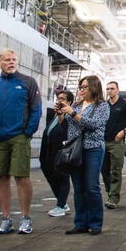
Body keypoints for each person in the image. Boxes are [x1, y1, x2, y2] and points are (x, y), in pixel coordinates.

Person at [0, 49, 42, 235]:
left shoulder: (28, 82)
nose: (11, 62)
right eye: (7, 60)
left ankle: (25, 218)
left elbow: (36, 109)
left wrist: (27, 132)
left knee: (22, 177)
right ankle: (6, 218)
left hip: (19, 137)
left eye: (14, 59)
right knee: (0, 178)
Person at [58, 76, 109, 235]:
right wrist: (61, 113)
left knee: (91, 187)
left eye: (85, 87)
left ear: (94, 87)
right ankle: (80, 223)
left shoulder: (102, 106)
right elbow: (65, 125)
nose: (81, 90)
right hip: (75, 149)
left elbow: (93, 124)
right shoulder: (76, 104)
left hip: (93, 148)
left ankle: (95, 223)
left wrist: (71, 112)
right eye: (80, 87)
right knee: (78, 188)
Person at [102, 81, 126, 209]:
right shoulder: (103, 105)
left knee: (116, 171)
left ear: (118, 90)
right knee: (104, 170)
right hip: (102, 142)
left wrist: (124, 132)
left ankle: (113, 198)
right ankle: (109, 194)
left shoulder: (125, 105)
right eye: (107, 89)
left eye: (112, 88)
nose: (110, 91)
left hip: (116, 143)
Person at [40, 89, 73, 218]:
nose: (59, 101)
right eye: (58, 98)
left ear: (69, 102)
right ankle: (62, 201)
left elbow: (63, 129)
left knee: (62, 177)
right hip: (48, 153)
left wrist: (61, 115)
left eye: (63, 99)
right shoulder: (54, 116)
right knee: (50, 175)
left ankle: (60, 205)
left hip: (61, 153)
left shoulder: (69, 116)